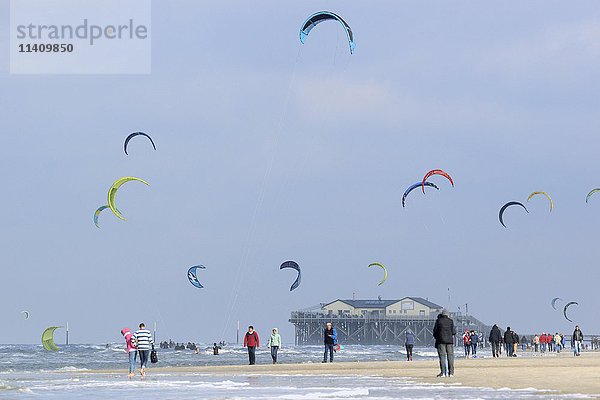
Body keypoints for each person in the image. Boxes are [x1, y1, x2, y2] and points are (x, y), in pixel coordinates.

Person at [433, 310, 456, 377]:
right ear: (447, 315)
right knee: (450, 356)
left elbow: (435, 332)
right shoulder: (451, 321)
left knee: (442, 356)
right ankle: (451, 373)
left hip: (441, 341)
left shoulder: (438, 321)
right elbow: (454, 332)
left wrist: (437, 337)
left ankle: (443, 372)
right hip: (449, 341)